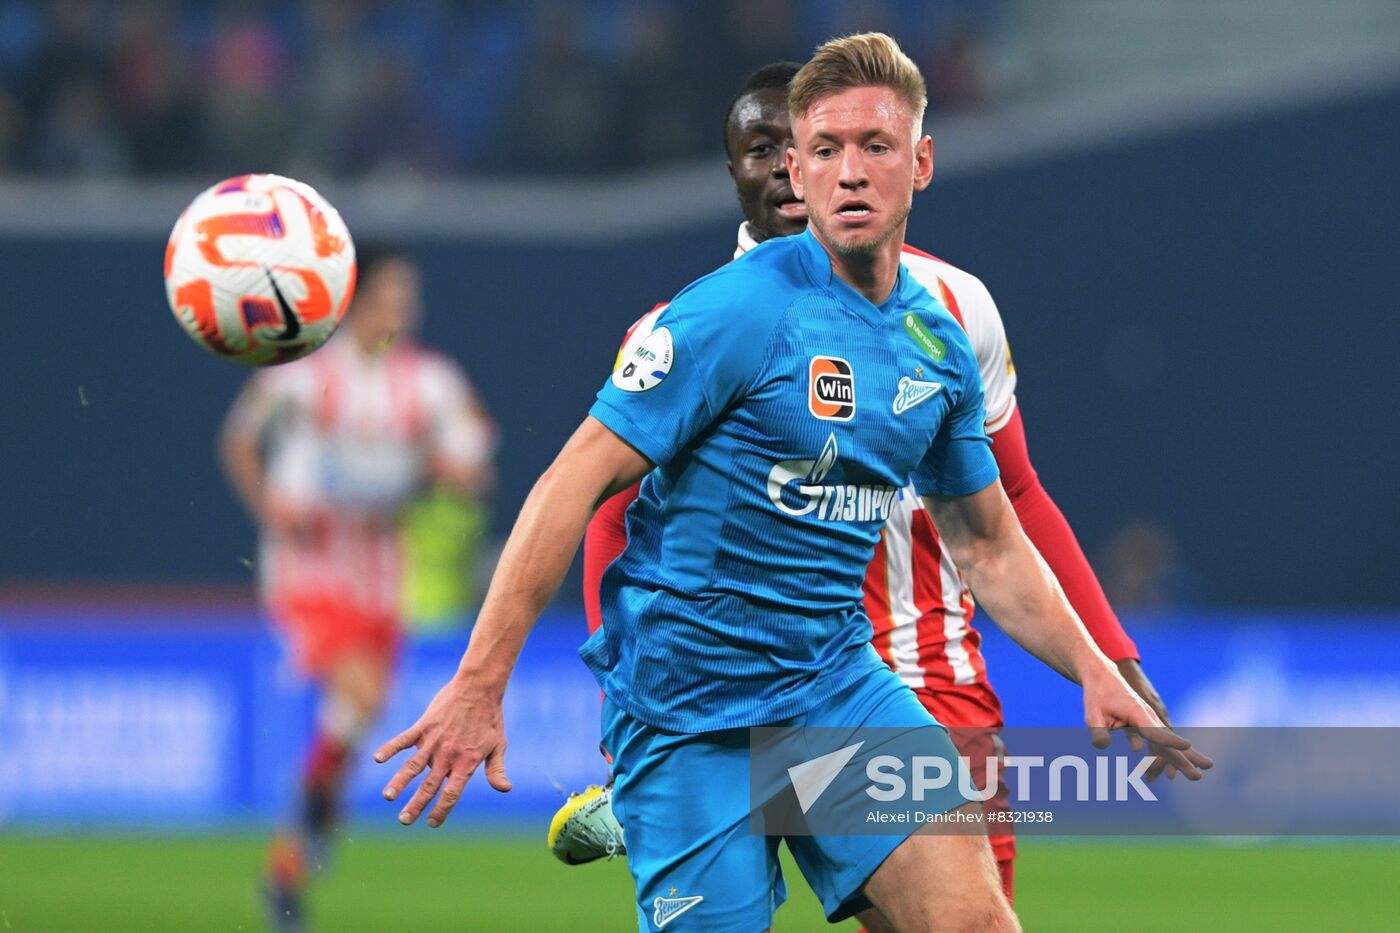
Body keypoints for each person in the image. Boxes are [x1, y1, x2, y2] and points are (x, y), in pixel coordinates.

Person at [376, 34, 1207, 933]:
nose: (849, 173)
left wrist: (1095, 665)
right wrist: (479, 681)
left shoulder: (937, 338)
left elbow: (990, 542)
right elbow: (571, 485)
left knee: (977, 922)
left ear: (921, 163)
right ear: (797, 174)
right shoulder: (730, 312)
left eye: (875, 147)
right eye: (825, 151)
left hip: (836, 687)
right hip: (692, 715)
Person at [219, 247, 495, 932]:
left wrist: (449, 468)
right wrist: (269, 507)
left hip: (380, 567)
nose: (406, 308)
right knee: (362, 696)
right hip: (310, 563)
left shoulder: (431, 382)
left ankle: (291, 859)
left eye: (410, 294)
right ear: (360, 299)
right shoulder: (302, 374)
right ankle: (304, 842)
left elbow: (473, 462)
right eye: (396, 293)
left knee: (354, 718)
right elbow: (239, 441)